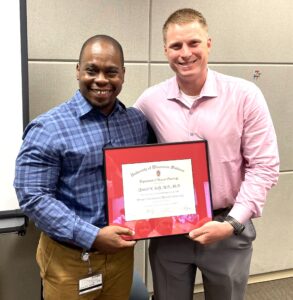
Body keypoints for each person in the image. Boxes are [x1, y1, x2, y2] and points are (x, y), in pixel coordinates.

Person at [134, 8, 279, 300]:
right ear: (165, 51)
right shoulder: (149, 102)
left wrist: (233, 223)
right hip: (170, 232)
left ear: (208, 44)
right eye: (176, 46)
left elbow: (264, 167)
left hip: (227, 227)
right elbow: (133, 162)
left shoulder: (244, 96)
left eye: (193, 43)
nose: (185, 53)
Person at [14, 34, 153, 300]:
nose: (101, 79)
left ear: (123, 74)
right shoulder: (49, 128)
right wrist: (92, 235)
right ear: (78, 71)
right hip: (70, 258)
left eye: (111, 71)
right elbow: (33, 197)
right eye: (92, 70)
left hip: (121, 254)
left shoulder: (136, 123)